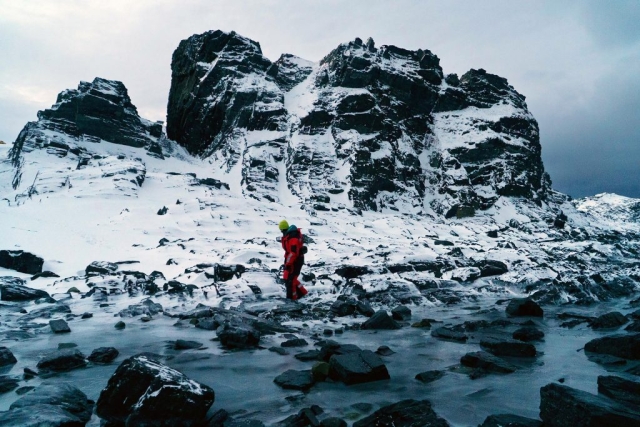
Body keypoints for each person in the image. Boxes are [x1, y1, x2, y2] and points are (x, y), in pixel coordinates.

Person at [279, 220, 308, 300]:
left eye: (282, 230)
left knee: (291, 280)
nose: (281, 232)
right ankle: (303, 293)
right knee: (288, 278)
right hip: (292, 260)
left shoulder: (292, 238)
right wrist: (287, 262)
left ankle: (292, 299)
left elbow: (293, 253)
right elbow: (289, 252)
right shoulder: (289, 236)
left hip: (296, 261)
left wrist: (288, 264)